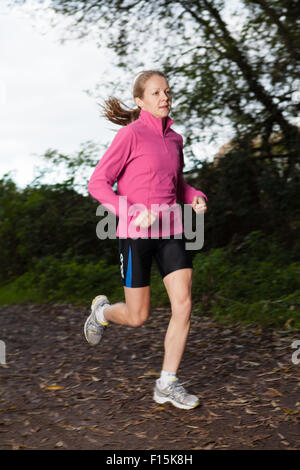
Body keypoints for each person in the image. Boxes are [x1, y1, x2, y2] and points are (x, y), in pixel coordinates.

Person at [84, 70, 207, 410]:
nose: (164, 97)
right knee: (138, 316)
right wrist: (131, 211)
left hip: (171, 231)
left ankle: (166, 383)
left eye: (167, 92)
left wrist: (195, 195)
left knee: (183, 304)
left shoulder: (175, 139)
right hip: (135, 235)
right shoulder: (130, 135)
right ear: (140, 101)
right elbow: (97, 183)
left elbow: (178, 185)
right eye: (155, 93)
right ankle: (103, 312)